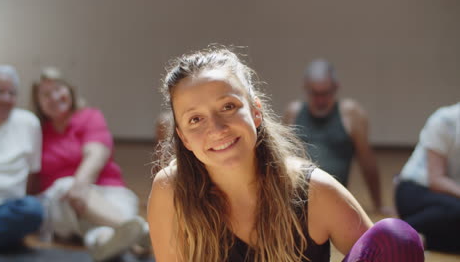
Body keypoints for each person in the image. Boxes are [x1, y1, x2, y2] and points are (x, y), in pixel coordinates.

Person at [147, 47, 424, 261]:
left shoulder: (314, 190)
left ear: (256, 112)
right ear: (183, 137)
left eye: (228, 106)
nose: (216, 128)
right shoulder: (170, 190)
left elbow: (383, 250)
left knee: (396, 237)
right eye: (195, 119)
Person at [29, 68, 150, 261]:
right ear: (39, 103)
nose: (54, 97)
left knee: (105, 227)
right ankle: (142, 232)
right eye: (45, 94)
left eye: (58, 89)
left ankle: (105, 243)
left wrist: (80, 186)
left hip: (107, 190)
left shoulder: (89, 116)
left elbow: (96, 153)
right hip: (60, 201)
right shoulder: (37, 131)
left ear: (69, 91)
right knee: (66, 186)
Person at [284, 59, 386, 214]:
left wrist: (378, 205)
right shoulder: (293, 112)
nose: (320, 100)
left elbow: (367, 163)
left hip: (334, 199)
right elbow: (281, 160)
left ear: (336, 88)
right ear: (305, 88)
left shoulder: (351, 114)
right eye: (314, 94)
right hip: (297, 200)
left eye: (325, 93)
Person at [395, 102, 460, 253]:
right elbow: (436, 180)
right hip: (415, 189)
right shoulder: (444, 120)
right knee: (456, 210)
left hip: (450, 196)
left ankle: (424, 240)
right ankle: (396, 231)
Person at [0, 65, 43, 251]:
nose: (6, 99)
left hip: (10, 208)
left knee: (33, 210)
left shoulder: (28, 122)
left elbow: (33, 173)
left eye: (12, 93)